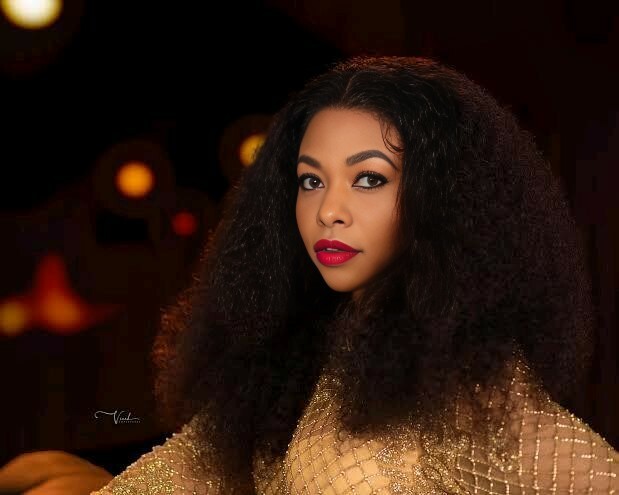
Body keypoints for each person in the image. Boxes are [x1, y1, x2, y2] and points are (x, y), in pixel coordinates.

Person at [2, 55, 617, 494]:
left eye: (368, 178)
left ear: (444, 199)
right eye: (310, 180)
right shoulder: (292, 363)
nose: (328, 210)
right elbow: (173, 477)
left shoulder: (476, 391)